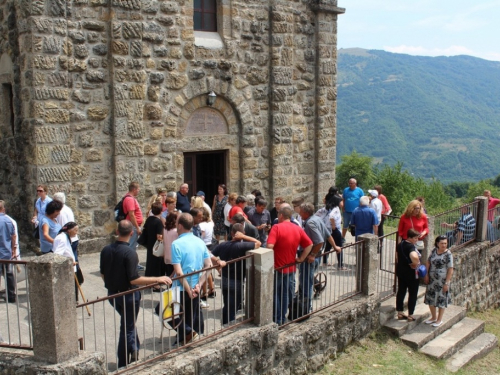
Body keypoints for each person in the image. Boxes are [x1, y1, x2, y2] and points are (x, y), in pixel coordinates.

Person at [100, 220, 172, 368]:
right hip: (128, 296)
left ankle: (134, 348)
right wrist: (157, 279)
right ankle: (124, 362)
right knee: (127, 327)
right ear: (131, 233)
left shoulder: (105, 250)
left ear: (117, 231)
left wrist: (113, 283)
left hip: (113, 294)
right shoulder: (130, 253)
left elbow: (103, 274)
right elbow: (134, 279)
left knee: (128, 323)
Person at [170, 213, 212, 345]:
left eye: (177, 224)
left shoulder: (176, 244)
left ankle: (189, 334)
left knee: (165, 311)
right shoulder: (199, 241)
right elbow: (209, 266)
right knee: (189, 315)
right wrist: (199, 285)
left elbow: (179, 271)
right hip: (195, 286)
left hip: (181, 288)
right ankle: (190, 335)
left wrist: (188, 290)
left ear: (180, 226)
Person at [267, 206, 312, 325]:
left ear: (281, 216)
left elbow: (270, 246)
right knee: (286, 294)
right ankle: (282, 318)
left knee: (276, 294)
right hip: (291, 267)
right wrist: (301, 258)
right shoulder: (297, 228)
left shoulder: (276, 227)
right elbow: (309, 245)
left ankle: (277, 319)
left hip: (277, 268)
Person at [212, 223, 261, 324]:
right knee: (233, 307)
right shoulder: (242, 246)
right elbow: (258, 243)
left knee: (227, 305)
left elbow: (209, 255)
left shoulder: (223, 245)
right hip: (236, 281)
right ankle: (228, 326)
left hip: (225, 279)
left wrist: (218, 267)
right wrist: (244, 237)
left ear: (231, 233)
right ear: (242, 233)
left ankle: (225, 324)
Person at [298, 202, 340, 303]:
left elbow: (320, 240)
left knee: (306, 281)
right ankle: (306, 296)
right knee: (307, 277)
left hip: (310, 256)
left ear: (305, 213)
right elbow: (328, 235)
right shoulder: (317, 219)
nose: (299, 213)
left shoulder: (310, 223)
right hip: (317, 255)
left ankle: (306, 305)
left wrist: (312, 255)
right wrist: (335, 246)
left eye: (301, 212)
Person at [423, 235, 454, 327]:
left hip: (442, 281)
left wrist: (447, 283)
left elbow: (450, 269)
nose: (444, 245)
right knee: (430, 298)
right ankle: (433, 317)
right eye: (442, 243)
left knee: (441, 299)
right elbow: (428, 262)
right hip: (432, 280)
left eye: (445, 243)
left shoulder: (448, 254)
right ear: (437, 243)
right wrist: (426, 275)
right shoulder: (433, 251)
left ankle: (439, 319)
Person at [395, 229, 422, 322]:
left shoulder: (400, 245)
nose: (417, 240)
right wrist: (416, 262)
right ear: (410, 237)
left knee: (401, 291)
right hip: (411, 273)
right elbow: (414, 256)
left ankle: (400, 312)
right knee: (413, 293)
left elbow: (397, 257)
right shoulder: (411, 247)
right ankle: (410, 314)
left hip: (401, 272)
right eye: (415, 238)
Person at [52, 222, 80, 301]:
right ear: (70, 230)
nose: (76, 233)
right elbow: (57, 255)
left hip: (71, 266)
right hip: (68, 268)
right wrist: (69, 263)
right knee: (71, 289)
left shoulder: (64, 237)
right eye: (75, 230)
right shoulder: (62, 238)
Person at [316, 194, 345, 270]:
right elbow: (331, 216)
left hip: (327, 230)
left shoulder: (326, 208)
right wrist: (333, 226)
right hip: (335, 230)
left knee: (328, 245)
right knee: (339, 246)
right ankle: (340, 265)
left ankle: (325, 261)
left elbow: (318, 215)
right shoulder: (336, 208)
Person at [53, 192, 80, 269]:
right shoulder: (67, 209)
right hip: (72, 238)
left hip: (69, 238)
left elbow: (64, 225)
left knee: (72, 259)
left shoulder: (61, 212)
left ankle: (76, 276)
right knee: (74, 258)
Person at [122, 182, 144, 270]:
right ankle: (130, 266)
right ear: (134, 189)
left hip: (134, 225)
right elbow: (131, 215)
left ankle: (134, 264)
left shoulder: (129, 198)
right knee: (131, 246)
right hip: (133, 226)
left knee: (133, 246)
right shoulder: (130, 199)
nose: (138, 191)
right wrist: (137, 227)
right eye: (138, 189)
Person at [141, 202, 165, 277]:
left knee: (150, 262)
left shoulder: (149, 219)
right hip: (156, 245)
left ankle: (148, 277)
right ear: (161, 211)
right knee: (156, 263)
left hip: (149, 243)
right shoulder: (158, 222)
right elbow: (159, 236)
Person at [0, 200, 17, 303]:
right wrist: (14, 249)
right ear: (3, 209)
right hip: (6, 251)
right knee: (9, 274)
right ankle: (11, 296)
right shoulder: (8, 220)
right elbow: (13, 236)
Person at [163, 211, 179, 278]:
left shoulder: (165, 229)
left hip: (167, 255)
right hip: (174, 255)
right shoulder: (176, 231)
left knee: (169, 274)